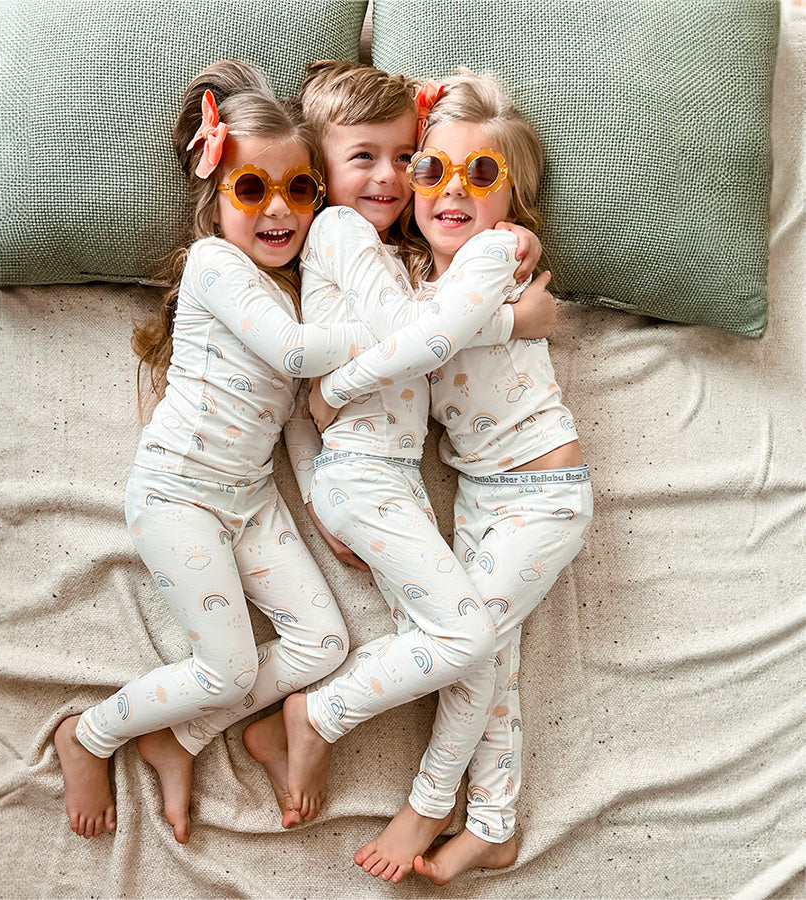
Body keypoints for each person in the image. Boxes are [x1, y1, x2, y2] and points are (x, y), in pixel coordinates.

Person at [54, 59, 386, 845]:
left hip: (250, 499)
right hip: (178, 494)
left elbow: (298, 420)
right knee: (229, 668)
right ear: (215, 197)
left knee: (324, 643)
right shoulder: (215, 266)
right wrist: (398, 328)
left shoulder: (297, 292)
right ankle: (90, 734)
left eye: (299, 190)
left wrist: (322, 503)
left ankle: (184, 735)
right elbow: (296, 354)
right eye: (253, 189)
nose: (279, 209)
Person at [242, 60, 558, 878]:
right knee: (467, 641)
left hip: (410, 482)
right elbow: (412, 336)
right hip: (374, 479)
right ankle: (319, 718)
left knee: (468, 650)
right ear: (320, 170)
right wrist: (511, 317)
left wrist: (504, 256)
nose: (390, 177)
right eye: (365, 158)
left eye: (402, 159)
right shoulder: (344, 235)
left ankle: (484, 817)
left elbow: (393, 346)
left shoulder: (417, 257)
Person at [309, 69, 594, 884]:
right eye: (431, 170)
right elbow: (417, 328)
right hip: (477, 498)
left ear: (512, 201)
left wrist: (332, 392)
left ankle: (424, 800)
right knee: (486, 660)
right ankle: (494, 825)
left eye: (482, 173)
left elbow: (430, 344)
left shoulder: (494, 256)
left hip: (542, 496)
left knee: (474, 651)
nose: (452, 190)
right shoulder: (414, 281)